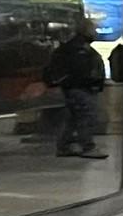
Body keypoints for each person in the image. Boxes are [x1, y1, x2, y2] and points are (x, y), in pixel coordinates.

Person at [43, 15, 108, 158]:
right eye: (94, 29)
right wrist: (93, 82)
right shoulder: (79, 49)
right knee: (87, 116)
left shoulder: (73, 47)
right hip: (80, 87)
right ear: (87, 30)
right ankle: (87, 146)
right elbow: (81, 70)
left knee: (73, 118)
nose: (96, 32)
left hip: (74, 87)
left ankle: (64, 146)